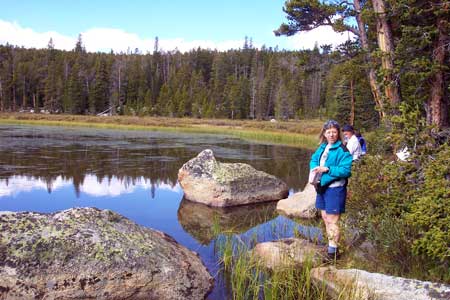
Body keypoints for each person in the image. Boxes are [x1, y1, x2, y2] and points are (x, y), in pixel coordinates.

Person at [309, 120, 353, 259]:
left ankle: (333, 253)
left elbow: (346, 171)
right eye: (329, 132)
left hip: (335, 189)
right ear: (324, 134)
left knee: (332, 220)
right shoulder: (323, 147)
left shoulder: (343, 150)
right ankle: (330, 246)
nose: (331, 134)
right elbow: (314, 159)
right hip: (322, 187)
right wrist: (314, 169)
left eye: (334, 132)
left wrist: (327, 169)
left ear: (338, 133)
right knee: (325, 218)